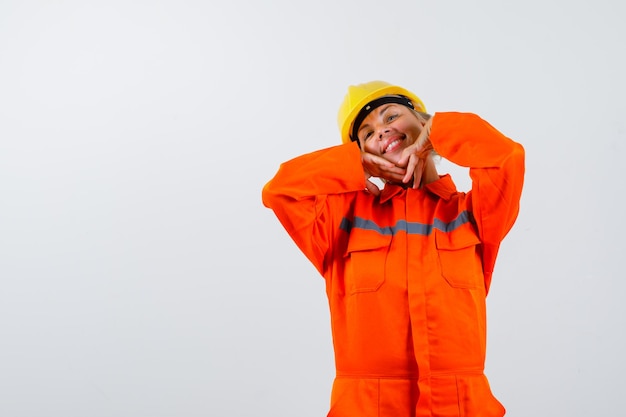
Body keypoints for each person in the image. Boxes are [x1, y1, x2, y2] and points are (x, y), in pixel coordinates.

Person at [262, 80, 525, 417]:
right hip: (366, 407)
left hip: (460, 406)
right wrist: (351, 165)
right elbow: (278, 191)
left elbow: (506, 157)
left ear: (422, 120)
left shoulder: (473, 215)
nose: (381, 133)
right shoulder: (339, 221)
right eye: (367, 134)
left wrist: (441, 132)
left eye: (390, 117)